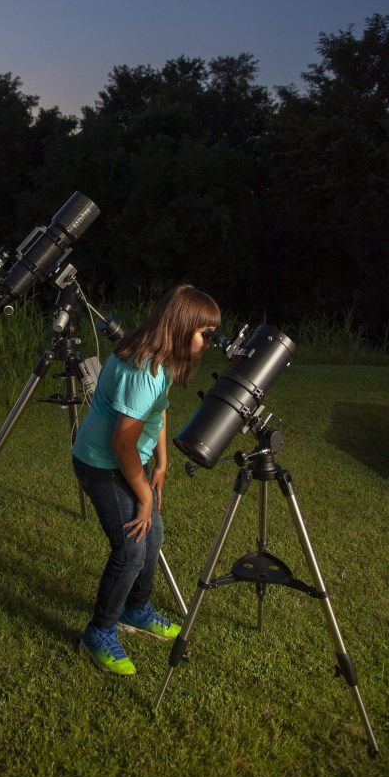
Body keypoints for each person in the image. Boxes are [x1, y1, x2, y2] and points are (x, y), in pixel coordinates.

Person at [72, 283, 221, 674]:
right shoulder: (143, 371)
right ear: (181, 326)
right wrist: (144, 495)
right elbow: (122, 444)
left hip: (127, 461)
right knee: (131, 549)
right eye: (205, 333)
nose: (210, 342)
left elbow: (158, 411)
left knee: (153, 536)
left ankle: (135, 610)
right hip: (101, 464)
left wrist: (162, 463)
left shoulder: (161, 360)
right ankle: (99, 631)